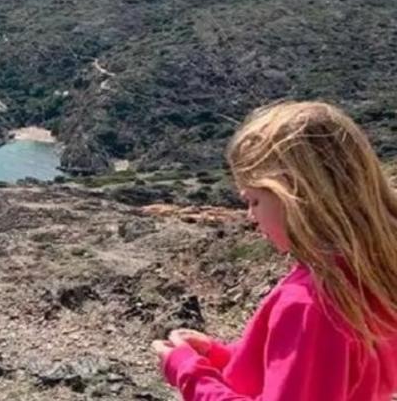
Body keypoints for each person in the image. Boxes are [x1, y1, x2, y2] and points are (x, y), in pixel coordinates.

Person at [153, 101, 397, 400]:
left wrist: (189, 374)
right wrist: (217, 357)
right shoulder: (369, 275)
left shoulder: (308, 304)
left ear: (296, 196)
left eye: (254, 200)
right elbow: (311, 376)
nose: (249, 215)